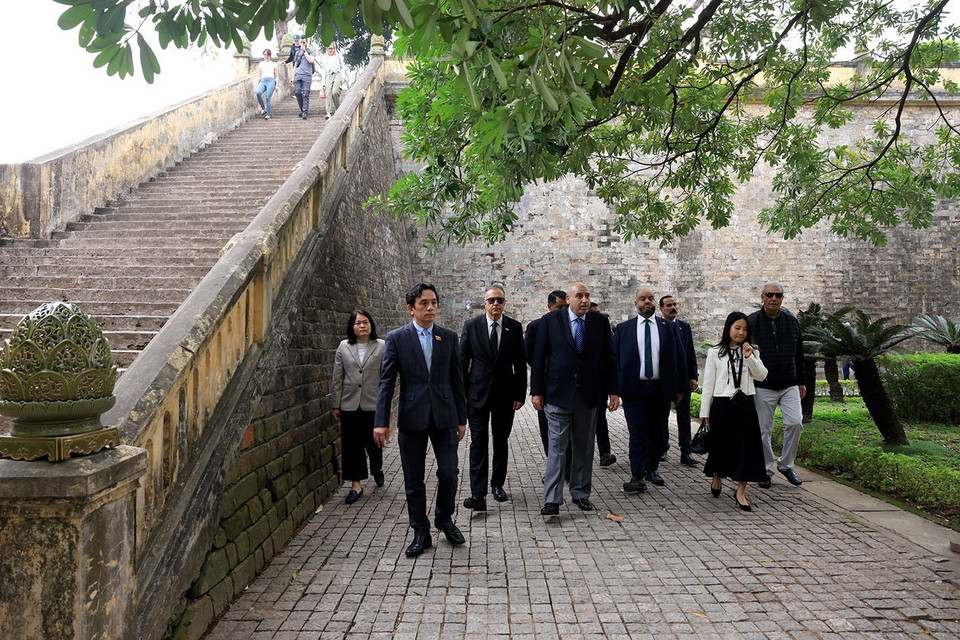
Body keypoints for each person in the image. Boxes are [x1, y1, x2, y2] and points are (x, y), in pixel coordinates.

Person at [374, 284, 467, 558]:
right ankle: (420, 530)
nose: (430, 308)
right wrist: (381, 421)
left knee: (449, 472)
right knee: (413, 478)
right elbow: (387, 381)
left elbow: (457, 379)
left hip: (445, 415)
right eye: (424, 303)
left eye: (434, 302)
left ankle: (444, 518)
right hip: (412, 416)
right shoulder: (396, 338)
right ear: (411, 308)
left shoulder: (448, 337)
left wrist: (461, 418)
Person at [531, 282, 619, 516]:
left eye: (587, 296)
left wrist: (614, 391)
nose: (585, 300)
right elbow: (539, 358)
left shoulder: (599, 322)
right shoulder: (550, 321)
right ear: (568, 299)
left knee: (584, 448)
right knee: (557, 449)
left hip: (588, 396)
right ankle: (552, 499)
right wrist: (536, 391)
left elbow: (610, 358)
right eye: (579, 296)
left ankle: (580, 494)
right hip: (557, 395)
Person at [460, 285, 527, 511]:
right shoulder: (471, 326)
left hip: (505, 395)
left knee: (500, 441)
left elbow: (520, 363)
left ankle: (497, 484)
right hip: (476, 395)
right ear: (485, 303)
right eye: (491, 300)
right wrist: (463, 394)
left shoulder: (514, 327)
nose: (495, 304)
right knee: (478, 442)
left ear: (504, 303)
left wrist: (519, 394)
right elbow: (462, 362)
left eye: (499, 300)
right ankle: (477, 493)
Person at [614, 287, 682, 494]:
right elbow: (615, 361)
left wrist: (680, 388)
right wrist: (614, 390)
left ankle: (652, 469)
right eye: (642, 299)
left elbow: (678, 358)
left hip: (660, 389)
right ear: (636, 303)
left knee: (658, 432)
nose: (647, 302)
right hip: (634, 390)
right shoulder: (624, 329)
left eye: (651, 298)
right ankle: (637, 475)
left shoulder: (667, 328)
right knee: (637, 432)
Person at [699, 312, 769, 511]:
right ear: (728, 328)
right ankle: (717, 475)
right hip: (722, 405)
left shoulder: (752, 350)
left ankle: (740, 492)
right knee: (721, 446)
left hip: (745, 404)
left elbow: (762, 375)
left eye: (745, 329)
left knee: (747, 448)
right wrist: (704, 412)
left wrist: (750, 357)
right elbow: (709, 384)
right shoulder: (715, 352)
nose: (741, 332)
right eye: (737, 328)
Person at [748, 282, 806, 488]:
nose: (774, 298)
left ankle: (786, 465)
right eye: (770, 295)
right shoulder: (752, 322)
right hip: (763, 385)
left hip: (789, 383)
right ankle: (764, 469)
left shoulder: (791, 321)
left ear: (782, 299)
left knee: (795, 422)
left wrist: (802, 381)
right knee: (763, 430)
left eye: (778, 295)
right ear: (762, 297)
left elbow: (799, 353)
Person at [331, 310, 385, 504]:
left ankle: (377, 468)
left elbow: (386, 378)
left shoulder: (381, 346)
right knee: (352, 445)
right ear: (351, 327)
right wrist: (335, 404)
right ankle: (356, 485)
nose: (362, 326)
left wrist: (384, 404)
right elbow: (337, 377)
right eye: (357, 323)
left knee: (374, 444)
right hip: (349, 404)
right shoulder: (344, 347)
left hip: (373, 403)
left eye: (365, 322)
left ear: (371, 324)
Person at [524, 289, 568, 454]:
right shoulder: (536, 326)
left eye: (566, 307)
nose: (563, 311)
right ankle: (551, 460)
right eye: (559, 307)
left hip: (567, 384)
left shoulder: (572, 326)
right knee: (547, 427)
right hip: (546, 384)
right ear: (550, 307)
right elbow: (529, 355)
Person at [659, 295, 700, 466]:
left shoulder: (684, 327)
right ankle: (662, 448)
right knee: (662, 416)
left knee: (684, 417)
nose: (673, 307)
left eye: (674, 304)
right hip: (663, 381)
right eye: (669, 305)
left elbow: (690, 353)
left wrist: (693, 377)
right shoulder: (657, 327)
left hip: (682, 379)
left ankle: (686, 451)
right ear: (661, 309)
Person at [590, 301, 617, 467]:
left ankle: (604, 453)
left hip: (599, 384)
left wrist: (613, 390)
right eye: (596, 313)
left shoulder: (603, 330)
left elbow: (611, 359)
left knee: (600, 419)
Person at [291, 37, 317, 119]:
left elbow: (311, 60)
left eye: (304, 42)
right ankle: (303, 110)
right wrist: (292, 77)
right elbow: (295, 66)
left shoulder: (310, 51)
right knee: (297, 92)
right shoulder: (297, 53)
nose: (302, 44)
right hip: (298, 75)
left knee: (306, 93)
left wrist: (304, 51)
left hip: (307, 75)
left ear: (306, 43)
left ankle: (305, 112)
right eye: (301, 42)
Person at [320, 44, 344, 119]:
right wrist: (323, 83)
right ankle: (329, 112)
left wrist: (343, 78)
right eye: (329, 48)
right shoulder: (325, 58)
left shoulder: (338, 56)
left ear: (334, 49)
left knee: (335, 92)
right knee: (328, 93)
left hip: (337, 74)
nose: (330, 50)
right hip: (329, 75)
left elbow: (342, 67)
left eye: (332, 48)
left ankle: (338, 108)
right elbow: (323, 71)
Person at [255, 49, 278, 120]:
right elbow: (259, 75)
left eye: (268, 55)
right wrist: (258, 83)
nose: (266, 56)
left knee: (268, 97)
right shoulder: (261, 64)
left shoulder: (273, 64)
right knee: (258, 93)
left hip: (271, 81)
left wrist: (276, 85)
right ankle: (263, 108)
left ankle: (268, 114)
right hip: (263, 81)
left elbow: (276, 76)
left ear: (270, 55)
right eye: (265, 54)